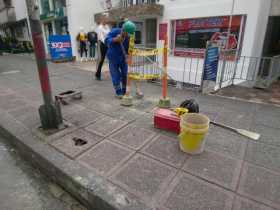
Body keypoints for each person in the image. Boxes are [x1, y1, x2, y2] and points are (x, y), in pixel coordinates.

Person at [105, 20, 136, 98]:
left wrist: (129, 57)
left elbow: (130, 48)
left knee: (125, 74)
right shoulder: (115, 31)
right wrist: (115, 39)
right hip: (113, 57)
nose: (128, 35)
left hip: (123, 57)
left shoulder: (129, 37)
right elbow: (106, 40)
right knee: (115, 75)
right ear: (123, 30)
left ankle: (124, 90)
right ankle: (118, 92)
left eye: (129, 33)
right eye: (127, 33)